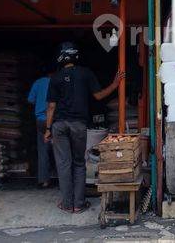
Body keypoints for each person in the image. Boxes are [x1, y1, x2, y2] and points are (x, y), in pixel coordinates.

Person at [44, 42, 124, 213]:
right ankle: (79, 204)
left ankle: (66, 204)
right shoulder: (86, 73)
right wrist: (115, 85)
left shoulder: (56, 78)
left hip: (59, 125)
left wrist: (47, 129)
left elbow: (51, 106)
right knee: (79, 163)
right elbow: (99, 95)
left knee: (63, 164)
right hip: (79, 125)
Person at [28, 66, 54, 188]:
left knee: (43, 150)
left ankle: (44, 181)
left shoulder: (37, 83)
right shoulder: (56, 82)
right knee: (61, 150)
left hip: (40, 120)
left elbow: (30, 100)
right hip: (54, 119)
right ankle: (65, 180)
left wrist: (40, 102)